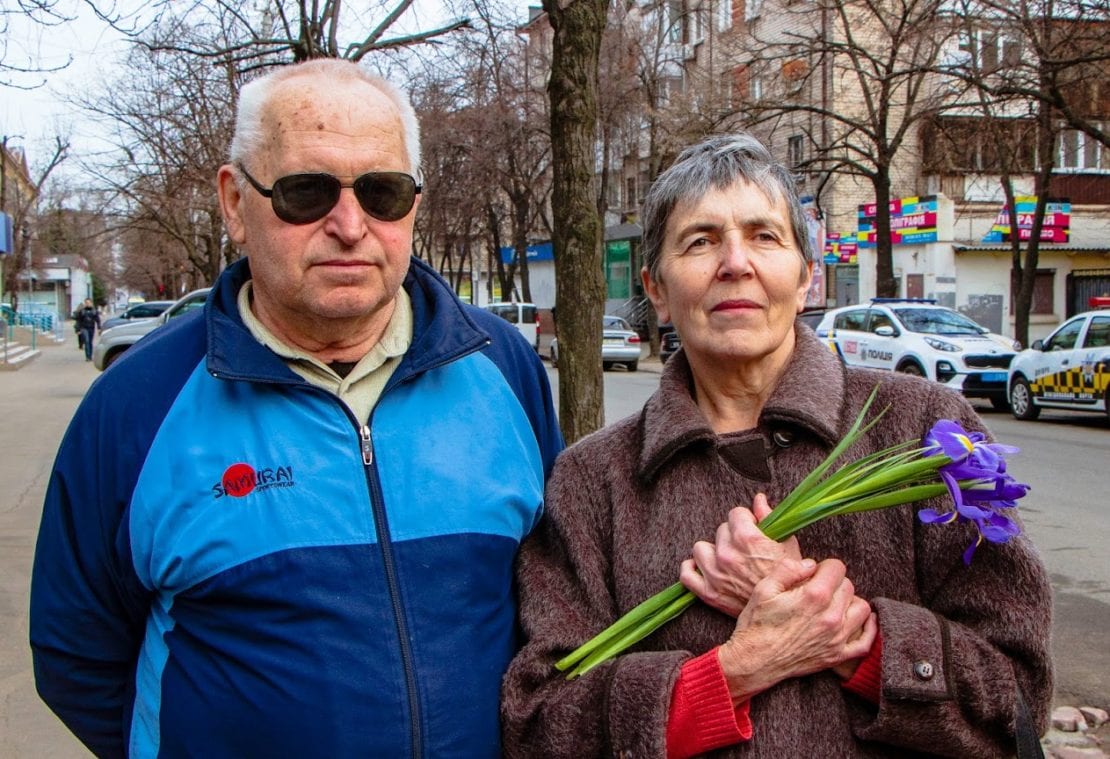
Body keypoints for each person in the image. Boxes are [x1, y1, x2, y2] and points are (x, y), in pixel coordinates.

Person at [31, 59, 562, 758]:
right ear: (234, 203)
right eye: (307, 192)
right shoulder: (136, 406)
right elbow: (77, 654)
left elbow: (553, 603)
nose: (349, 224)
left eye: (383, 191)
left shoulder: (503, 368)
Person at [501, 133, 1052, 758]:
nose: (736, 262)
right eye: (701, 240)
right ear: (655, 288)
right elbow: (542, 722)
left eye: (765, 236)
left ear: (806, 275)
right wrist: (735, 671)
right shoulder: (592, 481)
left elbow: (1020, 695)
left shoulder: (926, 431)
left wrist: (854, 640)